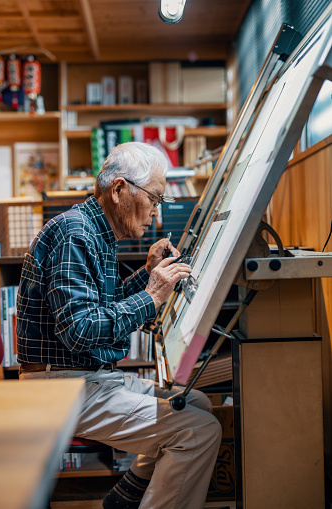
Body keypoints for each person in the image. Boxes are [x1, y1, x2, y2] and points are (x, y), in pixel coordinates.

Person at [17, 141, 222, 509]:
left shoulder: (94, 231)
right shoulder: (75, 234)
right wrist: (153, 296)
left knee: (197, 403)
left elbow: (102, 307)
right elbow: (80, 330)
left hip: (87, 377)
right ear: (119, 190)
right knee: (198, 431)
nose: (156, 215)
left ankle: (127, 497)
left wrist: (147, 275)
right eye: (155, 200)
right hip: (61, 387)